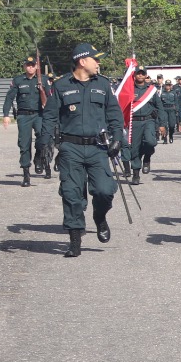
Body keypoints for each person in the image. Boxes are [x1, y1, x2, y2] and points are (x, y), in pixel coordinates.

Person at [42, 43, 123, 257]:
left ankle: (99, 217)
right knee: (72, 195)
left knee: (105, 190)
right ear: (82, 61)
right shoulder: (61, 86)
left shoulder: (104, 85)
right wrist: (43, 145)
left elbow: (115, 114)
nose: (99, 63)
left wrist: (117, 140)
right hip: (70, 148)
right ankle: (75, 240)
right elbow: (50, 117)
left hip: (97, 148)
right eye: (95, 59)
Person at [2, 55, 51, 186]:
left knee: (43, 139)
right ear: (24, 66)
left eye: (32, 65)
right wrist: (6, 114)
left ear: (36, 66)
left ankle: (38, 158)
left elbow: (50, 98)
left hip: (39, 115)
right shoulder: (18, 80)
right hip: (23, 116)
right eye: (28, 65)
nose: (30, 67)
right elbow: (9, 98)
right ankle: (26, 175)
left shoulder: (43, 80)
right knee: (24, 145)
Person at [124, 67, 168, 183]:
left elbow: (160, 108)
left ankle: (147, 156)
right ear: (135, 75)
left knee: (151, 142)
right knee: (135, 148)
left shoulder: (152, 90)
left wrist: (162, 124)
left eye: (143, 74)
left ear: (146, 76)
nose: (140, 76)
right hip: (134, 122)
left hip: (149, 121)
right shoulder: (129, 89)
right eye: (138, 73)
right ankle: (136, 174)